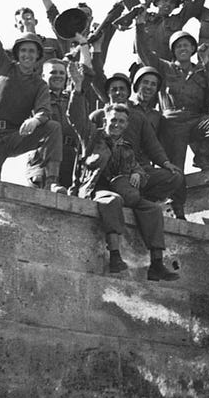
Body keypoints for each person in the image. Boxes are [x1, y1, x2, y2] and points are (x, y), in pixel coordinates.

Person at [71, 91, 183, 280]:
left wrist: (138, 174)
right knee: (112, 201)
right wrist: (79, 89)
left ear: (126, 125)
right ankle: (115, 256)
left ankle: (156, 265)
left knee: (152, 209)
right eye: (113, 120)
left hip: (123, 190)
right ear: (105, 121)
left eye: (122, 121)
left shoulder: (126, 147)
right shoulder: (90, 137)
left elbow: (137, 167)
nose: (117, 124)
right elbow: (75, 116)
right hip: (95, 189)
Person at [0, 0, 63, 188]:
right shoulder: (2, 66)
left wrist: (35, 121)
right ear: (17, 53)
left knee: (52, 127)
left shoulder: (39, 85)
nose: (27, 55)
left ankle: (51, 181)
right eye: (23, 50)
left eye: (32, 51)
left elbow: (44, 111)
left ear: (38, 56)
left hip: (13, 136)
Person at [134, 31, 209, 216]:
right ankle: (177, 209)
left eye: (186, 45)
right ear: (173, 51)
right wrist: (139, 25)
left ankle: (201, 155)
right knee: (175, 169)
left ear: (193, 48)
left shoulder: (202, 72)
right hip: (172, 123)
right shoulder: (164, 67)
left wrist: (206, 62)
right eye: (178, 46)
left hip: (195, 119)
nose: (183, 49)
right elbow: (143, 51)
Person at [28, 58, 81, 191]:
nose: (58, 76)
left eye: (61, 73)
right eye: (53, 72)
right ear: (43, 76)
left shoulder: (72, 99)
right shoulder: (35, 98)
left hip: (70, 158)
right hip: (43, 157)